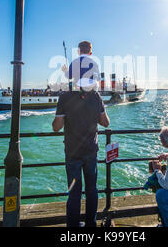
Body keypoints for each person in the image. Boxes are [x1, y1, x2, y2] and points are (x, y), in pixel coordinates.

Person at [52, 75, 110, 227]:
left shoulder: (64, 97)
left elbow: (56, 127)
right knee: (92, 190)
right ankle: (91, 224)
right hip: (91, 151)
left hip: (72, 152)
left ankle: (73, 226)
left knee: (74, 192)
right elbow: (105, 122)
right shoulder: (96, 97)